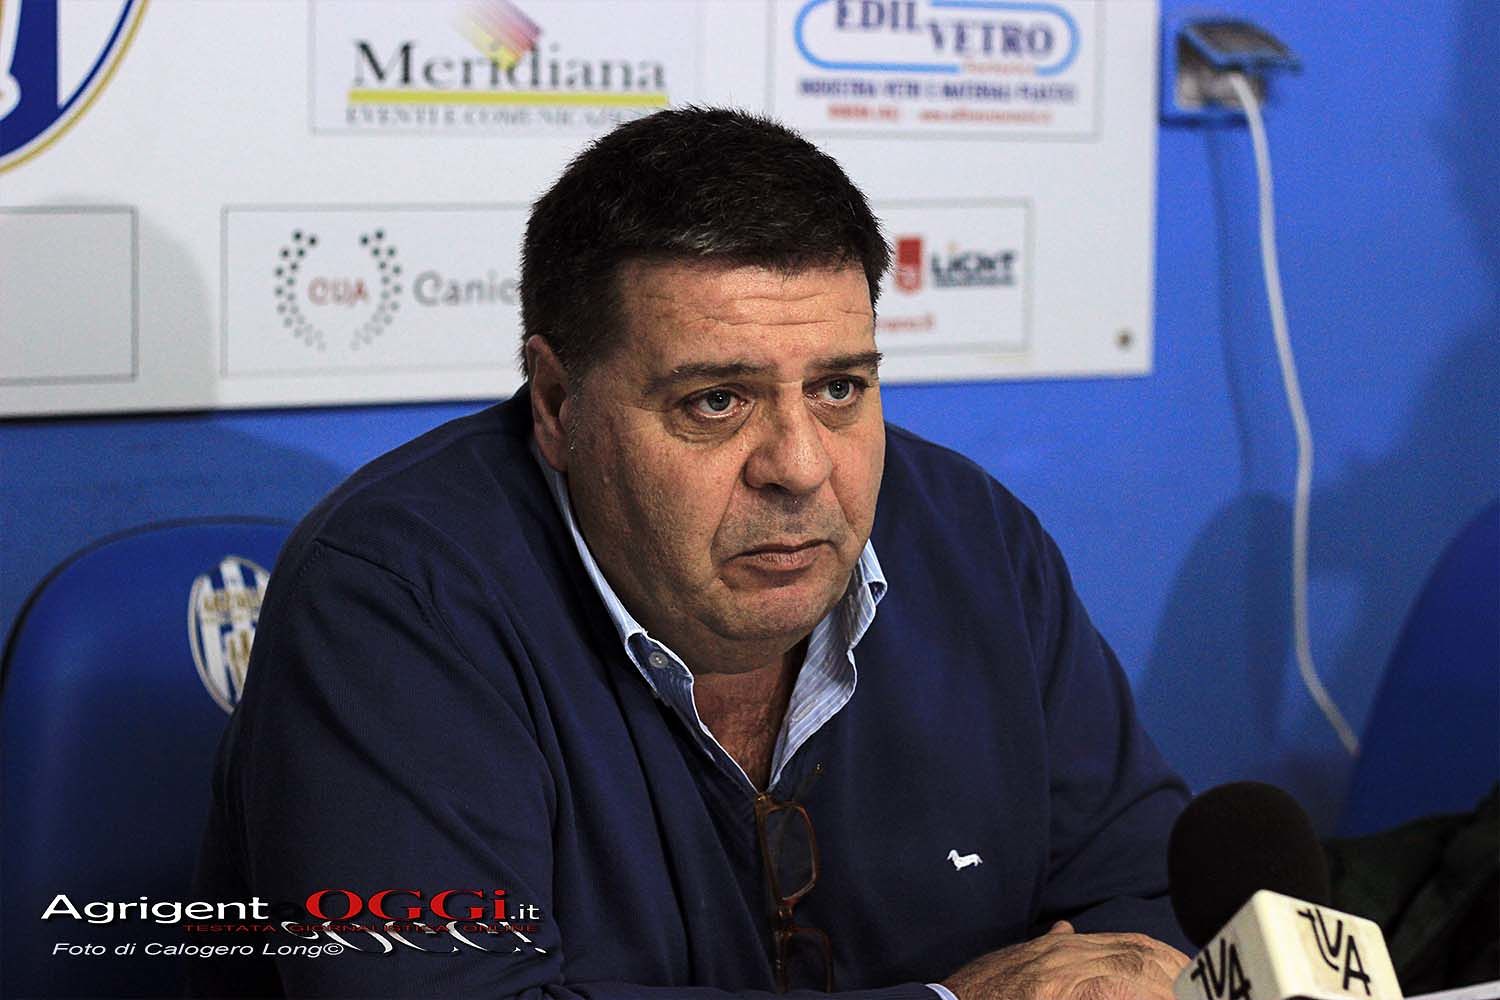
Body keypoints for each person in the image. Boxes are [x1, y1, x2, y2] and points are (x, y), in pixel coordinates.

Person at [193, 107, 1191, 1000]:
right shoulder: (396, 599)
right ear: (558, 404)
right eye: (717, 401)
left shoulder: (975, 540)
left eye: (839, 389)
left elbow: (1150, 894)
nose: (801, 466)